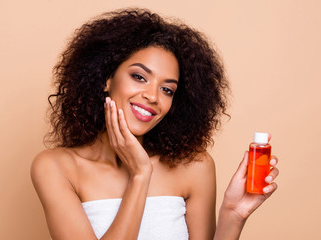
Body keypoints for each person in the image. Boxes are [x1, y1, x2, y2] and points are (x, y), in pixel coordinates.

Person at [31, 8, 279, 240]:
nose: (152, 96)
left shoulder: (194, 167)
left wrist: (233, 213)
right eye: (139, 77)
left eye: (167, 90)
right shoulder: (56, 167)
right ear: (106, 78)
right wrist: (140, 176)